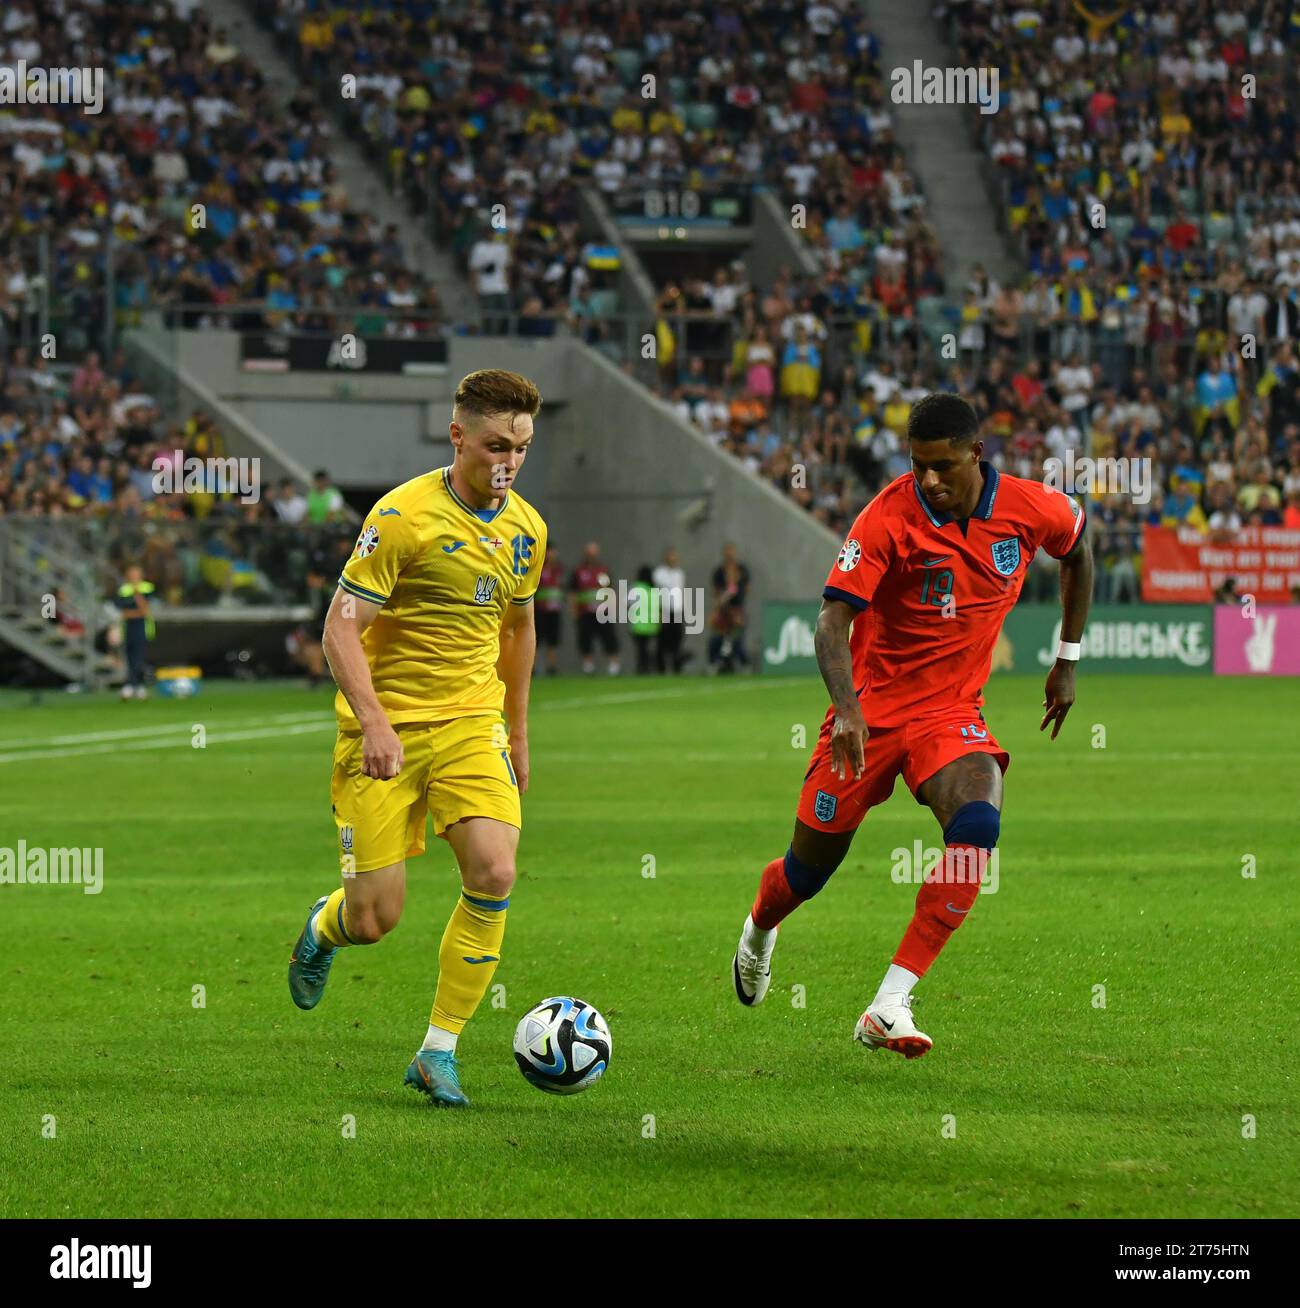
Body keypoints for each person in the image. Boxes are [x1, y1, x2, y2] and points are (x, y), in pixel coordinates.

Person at [730, 392, 1093, 1059]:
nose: (929, 480)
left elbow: (1078, 551)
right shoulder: (887, 517)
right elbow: (831, 623)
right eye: (919, 465)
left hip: (951, 714)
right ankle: (758, 926)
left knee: (979, 825)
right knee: (805, 875)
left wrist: (1066, 660)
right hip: (870, 714)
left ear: (977, 455)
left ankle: (890, 1002)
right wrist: (845, 710)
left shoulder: (1030, 508)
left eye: (943, 466)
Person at [287, 369, 548, 1109]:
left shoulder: (527, 528)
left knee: (496, 872)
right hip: (387, 733)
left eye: (523, 448)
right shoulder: (402, 517)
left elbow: (520, 628)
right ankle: (324, 927)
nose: (508, 463)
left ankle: (439, 1052)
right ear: (457, 434)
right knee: (375, 917)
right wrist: (372, 719)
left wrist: (519, 732)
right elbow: (340, 626)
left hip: (471, 725)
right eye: (496, 445)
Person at [570, 541, 620, 675]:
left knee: (609, 638)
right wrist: (574, 610)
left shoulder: (603, 570)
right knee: (585, 639)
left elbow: (610, 590)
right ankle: (588, 666)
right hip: (585, 613)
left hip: (603, 612)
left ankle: (613, 666)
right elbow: (573, 593)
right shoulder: (578, 571)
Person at [115, 563, 156, 700]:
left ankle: (132, 686)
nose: (134, 576)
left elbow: (145, 610)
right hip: (127, 628)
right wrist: (136, 612)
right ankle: (135, 686)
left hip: (142, 627)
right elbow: (123, 612)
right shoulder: (124, 590)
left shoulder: (147, 587)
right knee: (129, 657)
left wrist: (137, 594)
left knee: (138, 658)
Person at [709, 544, 751, 672]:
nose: (730, 555)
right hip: (723, 610)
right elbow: (715, 592)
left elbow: (747, 589)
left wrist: (739, 607)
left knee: (737, 639)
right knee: (718, 639)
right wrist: (716, 610)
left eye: (731, 552)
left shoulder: (742, 570)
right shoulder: (719, 572)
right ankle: (716, 663)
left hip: (737, 610)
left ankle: (744, 664)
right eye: (727, 552)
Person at [652, 546, 690, 673]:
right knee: (662, 640)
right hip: (665, 610)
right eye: (671, 556)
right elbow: (658, 592)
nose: (674, 558)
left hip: (678, 611)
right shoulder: (659, 573)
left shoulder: (679, 573)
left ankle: (676, 667)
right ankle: (660, 668)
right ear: (665, 557)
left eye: (675, 556)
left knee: (677, 640)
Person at [533, 548, 565, 675]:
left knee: (553, 641)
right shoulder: (540, 568)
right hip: (540, 611)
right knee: (537, 639)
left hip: (555, 611)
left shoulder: (560, 570)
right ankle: (532, 667)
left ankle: (551, 667)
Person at [628, 565, 661, 673]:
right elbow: (658, 607)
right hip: (651, 624)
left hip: (638, 624)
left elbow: (629, 604)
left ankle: (642, 668)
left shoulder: (636, 587)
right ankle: (647, 667)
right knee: (647, 648)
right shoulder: (654, 589)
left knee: (641, 649)